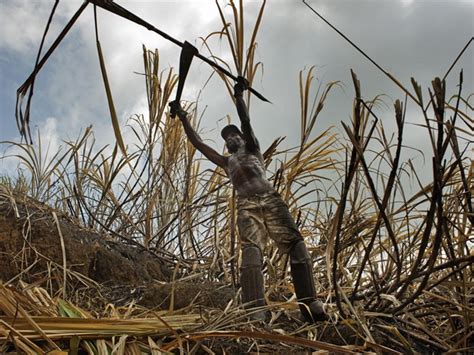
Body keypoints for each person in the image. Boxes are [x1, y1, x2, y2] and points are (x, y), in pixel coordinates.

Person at [169, 78, 327, 322]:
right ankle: (255, 309)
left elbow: (246, 121)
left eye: (234, 136)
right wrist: (183, 116)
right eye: (226, 139)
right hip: (246, 205)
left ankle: (310, 303)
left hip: (269, 198)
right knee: (251, 250)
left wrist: (239, 95)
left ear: (242, 138)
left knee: (295, 244)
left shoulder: (252, 149)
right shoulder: (226, 161)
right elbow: (198, 144)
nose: (230, 139)